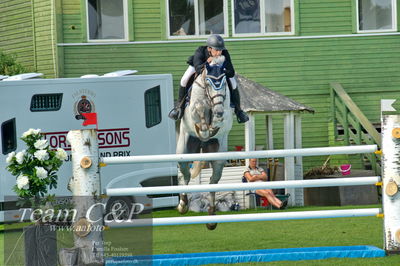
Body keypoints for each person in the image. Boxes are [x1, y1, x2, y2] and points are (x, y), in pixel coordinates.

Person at [168, 34, 249, 123]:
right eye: (217, 50)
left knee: (233, 83)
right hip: (198, 66)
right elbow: (198, 69)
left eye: (221, 50)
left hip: (218, 71)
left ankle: (238, 111)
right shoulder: (200, 51)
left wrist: (222, 72)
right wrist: (207, 62)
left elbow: (231, 72)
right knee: (184, 80)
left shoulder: (225, 53)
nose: (219, 53)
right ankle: (179, 107)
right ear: (209, 48)